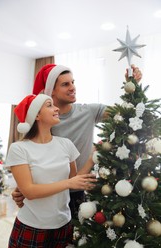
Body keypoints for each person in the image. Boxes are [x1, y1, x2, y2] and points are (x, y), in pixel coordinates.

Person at [12, 63, 142, 217]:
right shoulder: (46, 121)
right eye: (65, 84)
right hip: (54, 192)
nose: (73, 87)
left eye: (73, 82)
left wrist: (132, 86)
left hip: (84, 188)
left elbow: (127, 115)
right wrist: (21, 188)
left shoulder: (88, 112)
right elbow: (32, 155)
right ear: (51, 90)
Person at [6, 93, 97, 248]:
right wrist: (68, 183)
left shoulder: (66, 144)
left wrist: (91, 159)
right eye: (49, 105)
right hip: (32, 227)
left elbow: (75, 181)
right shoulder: (19, 149)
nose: (56, 108)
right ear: (37, 115)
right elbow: (30, 192)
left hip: (63, 226)